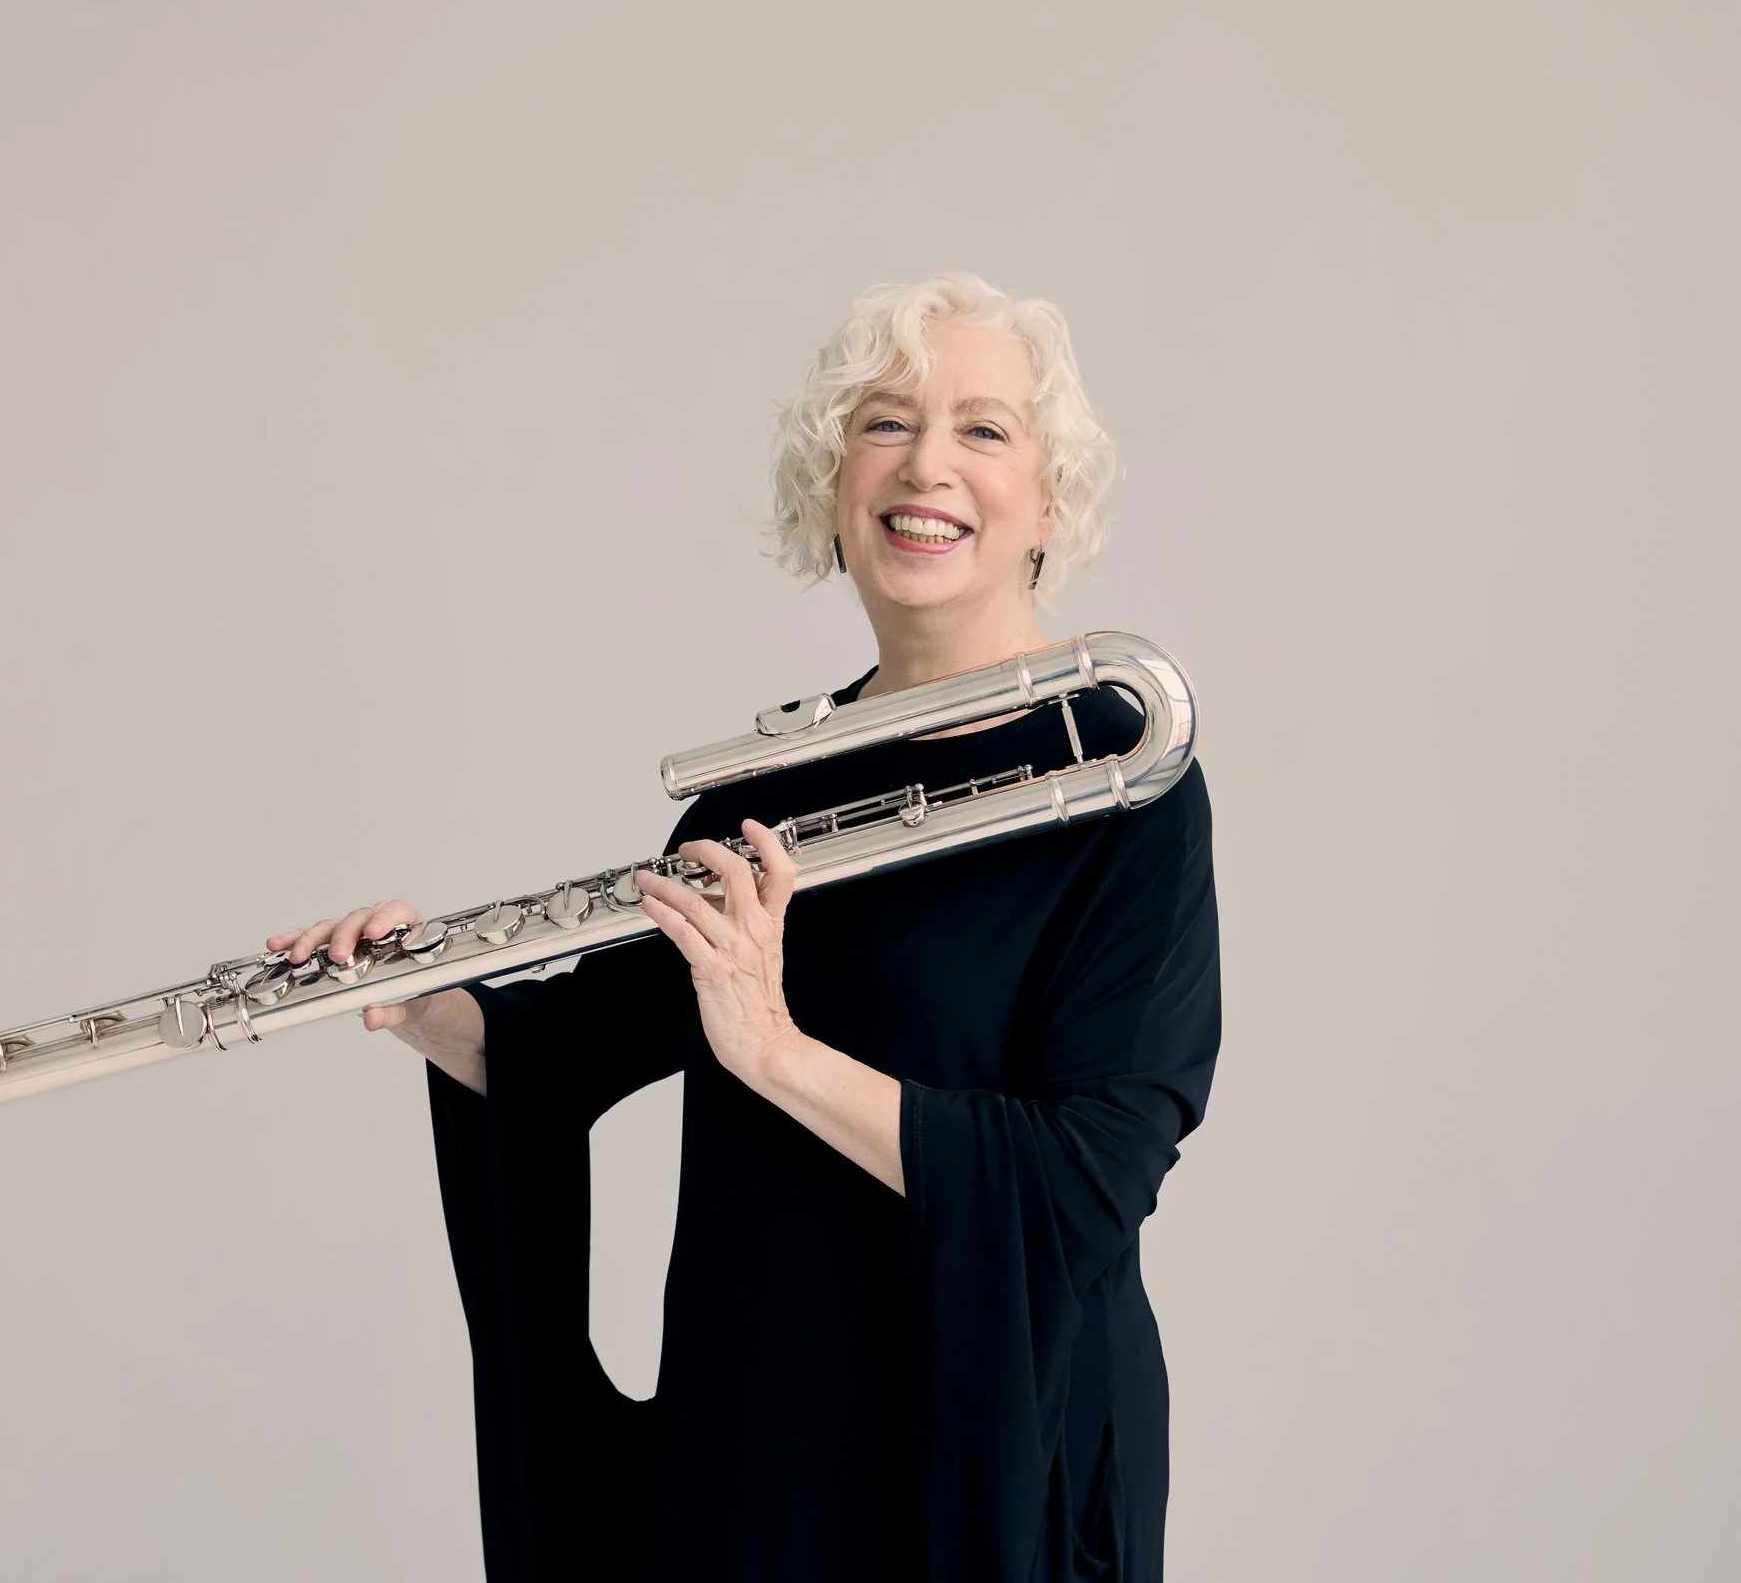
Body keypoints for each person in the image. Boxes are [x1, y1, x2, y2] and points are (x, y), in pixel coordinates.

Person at [267, 272, 1221, 1582]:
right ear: (834, 483)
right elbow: (587, 1036)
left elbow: (1089, 1175)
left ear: (1049, 497)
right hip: (757, 1449)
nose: (925, 464)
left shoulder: (1119, 771)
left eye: (983, 429)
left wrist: (773, 1048)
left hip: (993, 1464)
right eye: (884, 423)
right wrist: (421, 994)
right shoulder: (758, 791)